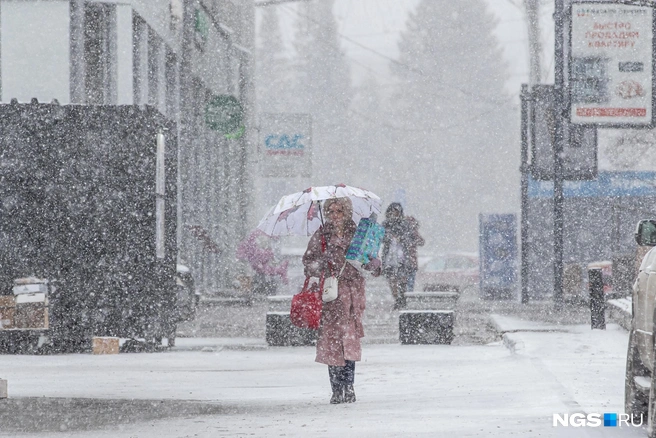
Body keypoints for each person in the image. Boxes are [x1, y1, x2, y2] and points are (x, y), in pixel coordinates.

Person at [302, 197, 381, 404]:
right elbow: (308, 262)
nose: (335, 215)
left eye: (339, 211)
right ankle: (336, 389)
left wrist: (373, 263)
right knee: (332, 342)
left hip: (353, 295)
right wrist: (321, 262)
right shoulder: (321, 236)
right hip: (331, 295)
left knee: (349, 342)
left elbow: (372, 262)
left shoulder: (358, 234)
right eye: (331, 211)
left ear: (347, 213)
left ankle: (349, 386)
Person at [381, 203, 424, 310]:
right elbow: (381, 238)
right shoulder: (385, 225)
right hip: (389, 258)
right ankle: (398, 300)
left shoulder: (405, 225)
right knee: (392, 281)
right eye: (391, 212)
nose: (393, 215)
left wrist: (402, 238)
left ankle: (402, 300)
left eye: (396, 212)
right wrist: (389, 238)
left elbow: (415, 240)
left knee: (402, 281)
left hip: (403, 258)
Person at [236, 230, 288, 295]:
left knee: (262, 285)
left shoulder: (257, 249)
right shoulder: (255, 248)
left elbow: (269, 263)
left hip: (262, 278)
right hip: (261, 278)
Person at [404, 216, 425, 293]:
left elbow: (421, 242)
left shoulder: (413, 233)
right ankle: (406, 296)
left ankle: (406, 296)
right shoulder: (405, 233)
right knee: (408, 283)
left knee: (409, 283)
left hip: (409, 262)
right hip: (407, 262)